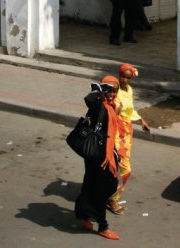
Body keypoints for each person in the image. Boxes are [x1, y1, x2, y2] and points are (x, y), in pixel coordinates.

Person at [75, 76, 122, 240]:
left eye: (114, 90)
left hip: (106, 152)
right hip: (96, 154)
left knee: (101, 184)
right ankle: (103, 226)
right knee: (100, 188)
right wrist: (100, 91)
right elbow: (88, 98)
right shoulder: (98, 104)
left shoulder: (112, 106)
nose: (112, 94)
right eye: (109, 90)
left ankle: (84, 214)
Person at [108, 63, 150, 215]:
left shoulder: (129, 90)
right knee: (125, 169)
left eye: (128, 77)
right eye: (122, 77)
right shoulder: (115, 91)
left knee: (117, 167)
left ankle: (108, 193)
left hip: (127, 132)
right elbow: (112, 109)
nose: (124, 80)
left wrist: (141, 121)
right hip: (117, 132)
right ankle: (113, 199)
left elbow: (130, 110)